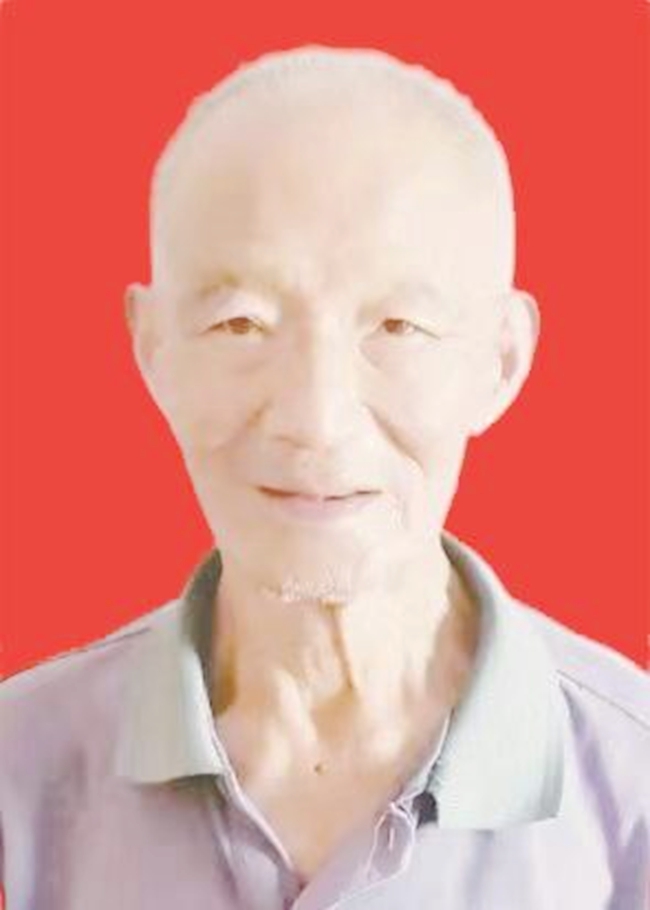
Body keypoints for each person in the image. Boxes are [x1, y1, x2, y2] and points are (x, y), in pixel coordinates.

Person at [1, 45, 648, 910]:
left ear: (501, 361)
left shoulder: (633, 787)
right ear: (153, 349)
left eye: (398, 326)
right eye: (241, 324)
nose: (314, 418)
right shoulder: (20, 769)